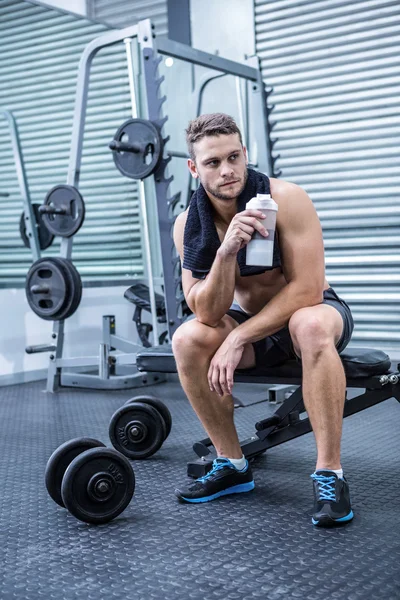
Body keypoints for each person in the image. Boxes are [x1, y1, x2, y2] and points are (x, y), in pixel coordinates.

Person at [171, 113, 354, 527]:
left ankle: (330, 474)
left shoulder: (287, 199)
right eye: (213, 162)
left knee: (307, 323)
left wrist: (238, 340)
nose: (227, 170)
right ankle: (232, 463)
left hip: (313, 315)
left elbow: (308, 289)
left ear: (245, 153)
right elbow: (204, 310)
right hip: (251, 323)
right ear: (194, 168)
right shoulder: (188, 225)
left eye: (234, 157)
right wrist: (225, 252)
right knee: (187, 339)